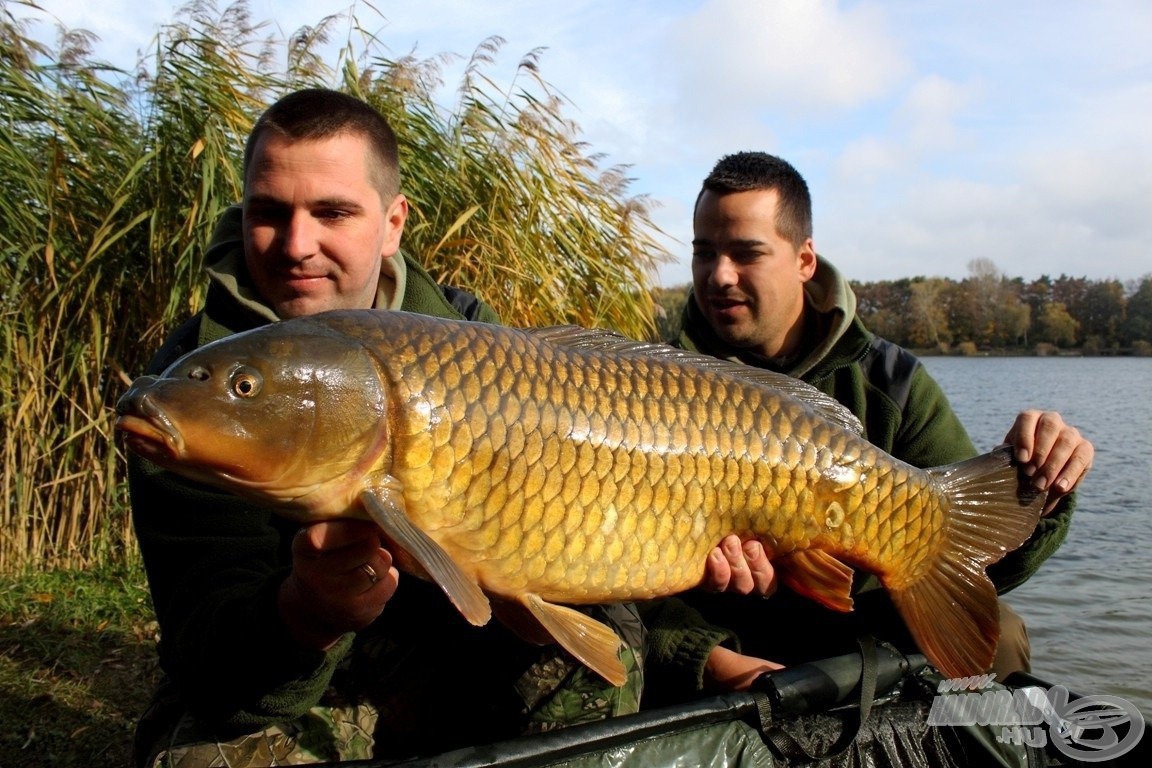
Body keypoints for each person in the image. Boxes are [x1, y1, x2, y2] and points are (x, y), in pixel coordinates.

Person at [126, 88, 646, 767]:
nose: (296, 245)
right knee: (203, 754)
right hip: (291, 668)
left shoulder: (476, 344)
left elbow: (589, 558)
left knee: (587, 671)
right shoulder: (193, 398)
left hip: (441, 647)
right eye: (269, 213)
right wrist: (307, 611)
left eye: (333, 212)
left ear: (393, 221)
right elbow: (209, 651)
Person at [641, 151, 1094, 702]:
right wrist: (706, 658)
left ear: (805, 259)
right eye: (704, 253)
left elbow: (971, 565)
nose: (719, 275)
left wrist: (1040, 486)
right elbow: (598, 571)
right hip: (720, 634)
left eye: (747, 253)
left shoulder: (889, 380)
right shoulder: (647, 381)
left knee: (1000, 636)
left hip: (855, 627)